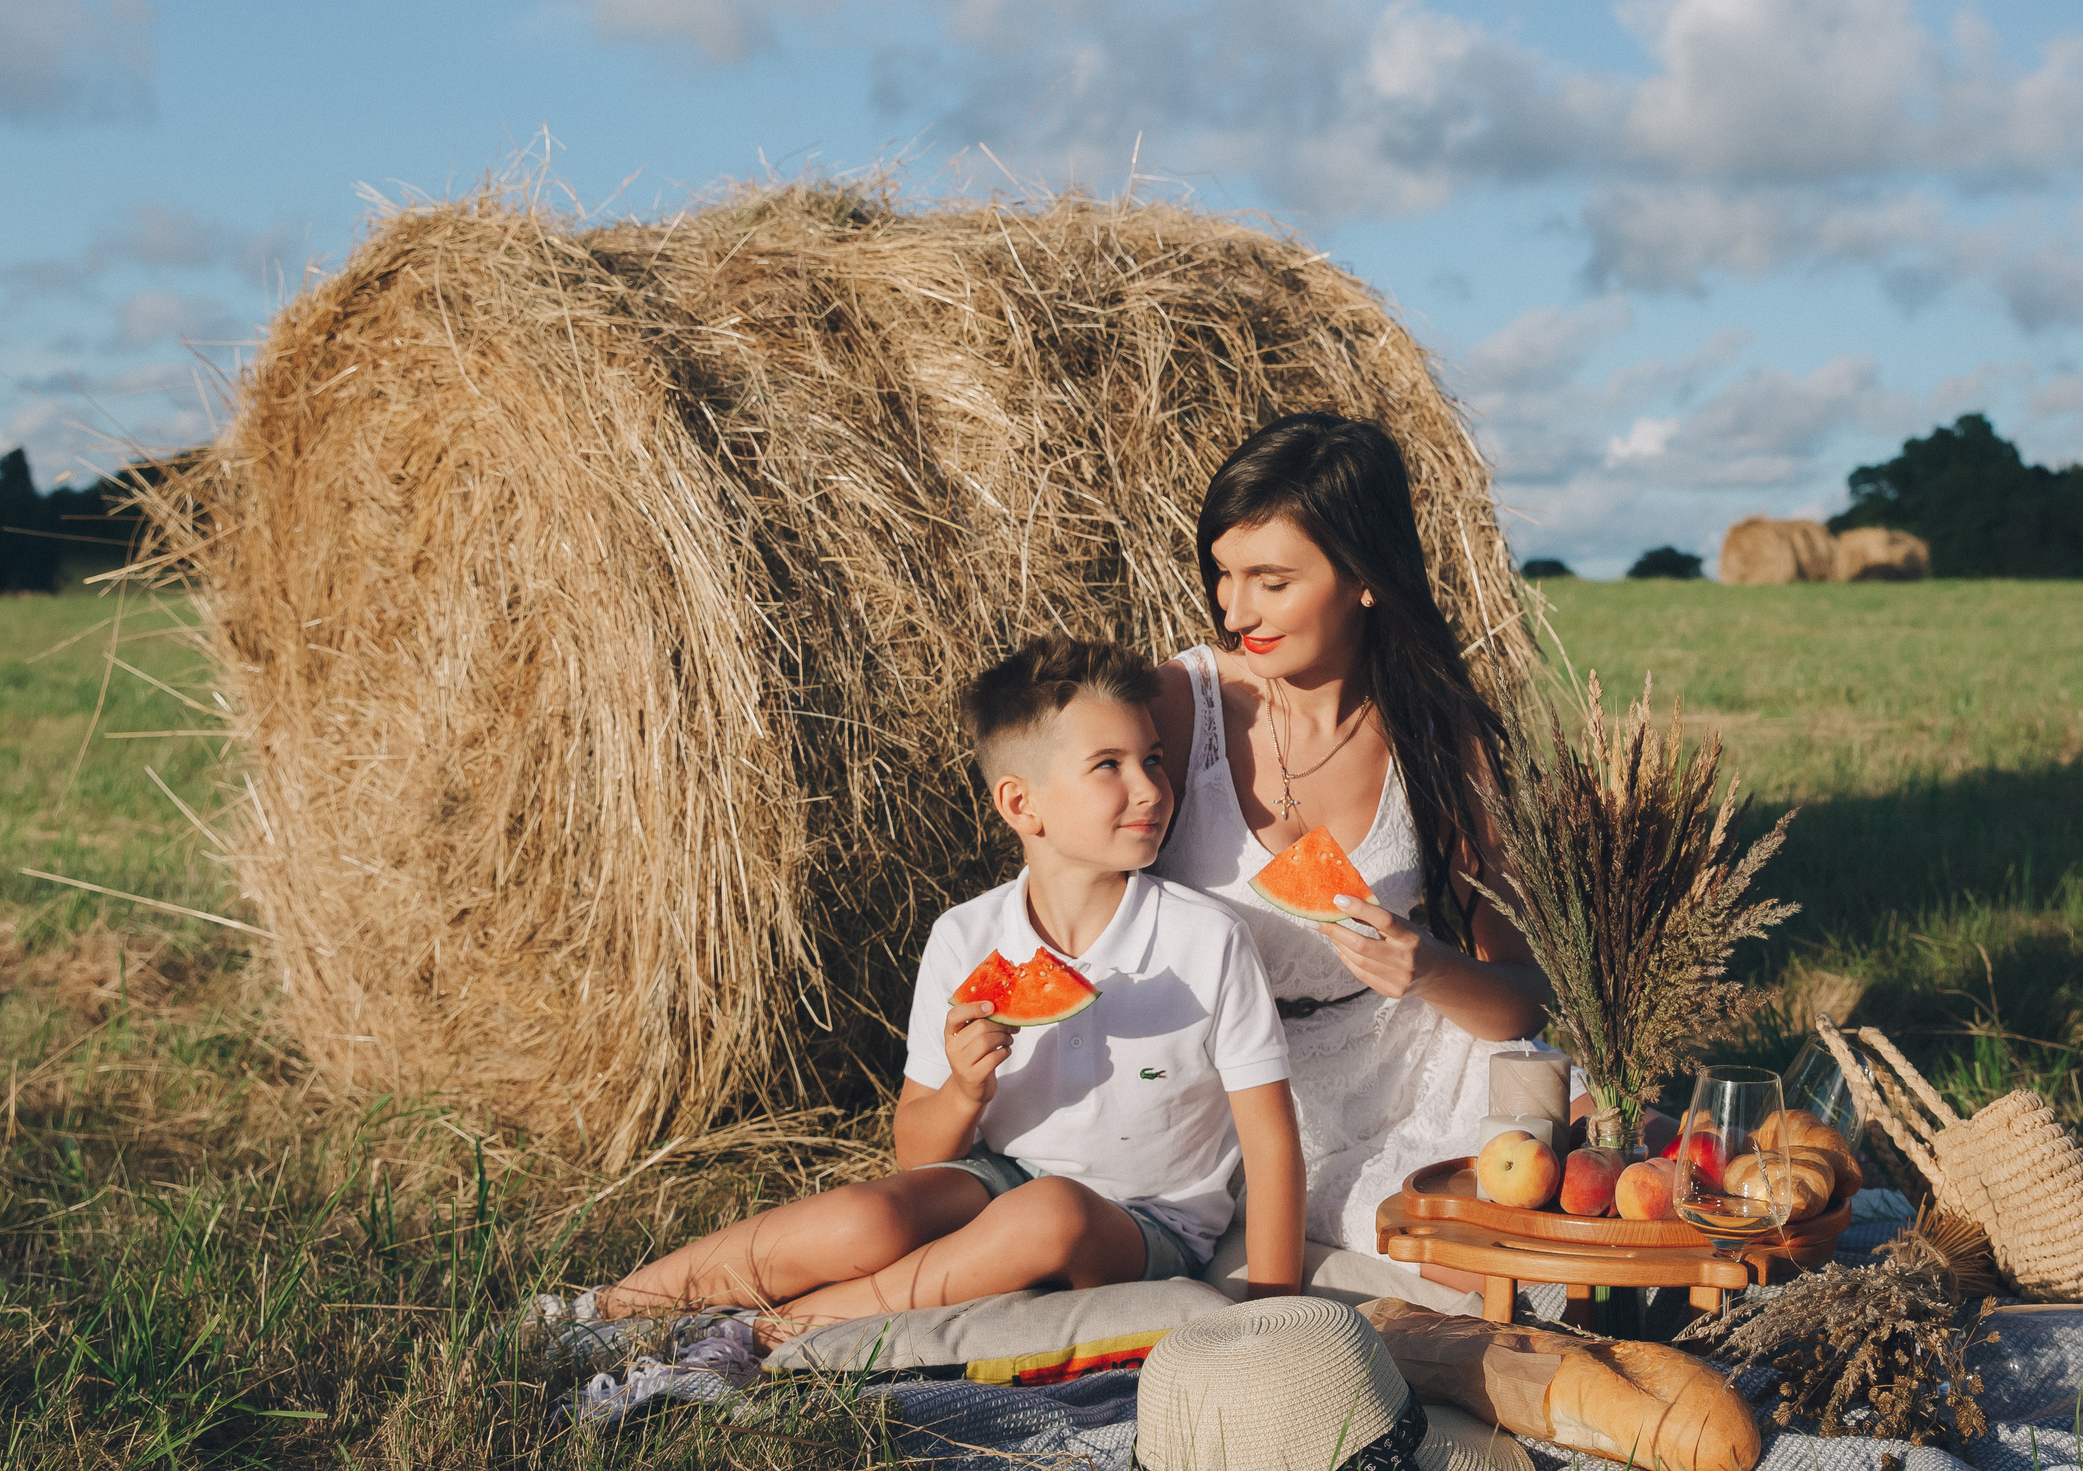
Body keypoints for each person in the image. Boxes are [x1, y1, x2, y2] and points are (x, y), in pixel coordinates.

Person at [580, 634, 1307, 1349]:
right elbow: (916, 1150)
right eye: (1109, 766)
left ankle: (784, 1332)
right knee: (862, 1220)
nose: (1150, 786)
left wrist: (1271, 1319)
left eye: (1152, 759)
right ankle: (604, 1311)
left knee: (1049, 1213)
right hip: (998, 1175)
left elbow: (1270, 1144)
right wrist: (963, 1090)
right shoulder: (965, 936)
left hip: (1151, 1223)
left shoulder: (1207, 940)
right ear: (1022, 804)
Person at [1149, 412, 1564, 1265]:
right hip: (1248, 1093)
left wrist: (1431, 967)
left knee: (1602, 1148)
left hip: (1414, 1050)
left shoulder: (1438, 732)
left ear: (1364, 578)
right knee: (1462, 1233)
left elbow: (1523, 997)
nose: (1234, 611)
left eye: (1271, 581)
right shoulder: (1174, 705)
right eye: (1224, 574)